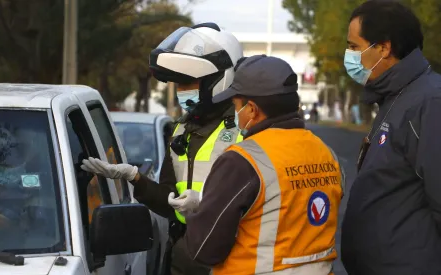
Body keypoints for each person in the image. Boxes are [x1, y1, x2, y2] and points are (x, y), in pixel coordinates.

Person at [80, 22, 244, 275]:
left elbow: (261, 203)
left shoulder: (243, 132)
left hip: (228, 259)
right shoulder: (181, 131)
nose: (181, 92)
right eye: (178, 85)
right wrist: (135, 178)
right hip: (183, 256)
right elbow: (169, 200)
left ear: (217, 80)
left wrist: (205, 204)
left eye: (188, 82)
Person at [180, 55, 344, 275]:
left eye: (236, 105)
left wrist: (199, 212)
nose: (235, 113)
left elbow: (205, 250)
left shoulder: (242, 160)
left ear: (252, 110)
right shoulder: (326, 153)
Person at [341, 1, 441, 274]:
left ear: (383, 48)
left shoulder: (430, 103)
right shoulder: (395, 98)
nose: (348, 55)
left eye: (353, 46)